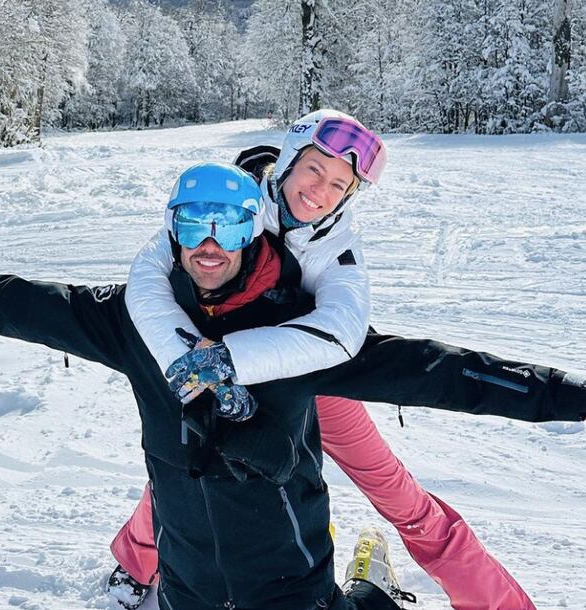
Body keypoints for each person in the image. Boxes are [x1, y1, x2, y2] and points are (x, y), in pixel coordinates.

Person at [0, 163, 584, 610]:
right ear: (172, 231)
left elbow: (444, 370)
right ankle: (138, 574)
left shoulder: (296, 335)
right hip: (186, 590)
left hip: (291, 591)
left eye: (226, 226)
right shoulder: (131, 321)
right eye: (193, 223)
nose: (209, 243)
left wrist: (567, 395)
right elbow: (22, 302)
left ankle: (372, 595)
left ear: (256, 231)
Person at [111, 111, 544, 609]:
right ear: (289, 161)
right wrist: (181, 350)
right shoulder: (238, 204)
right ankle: (135, 562)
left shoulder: (338, 247)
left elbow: (343, 327)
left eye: (339, 184)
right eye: (314, 170)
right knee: (189, 464)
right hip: (222, 374)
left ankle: (501, 603)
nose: (319, 191)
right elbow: (151, 268)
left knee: (395, 491)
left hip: (319, 383)